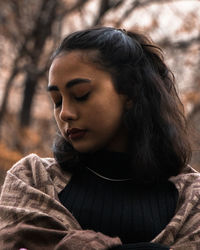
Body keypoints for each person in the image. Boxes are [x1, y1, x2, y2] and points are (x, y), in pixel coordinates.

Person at [0, 27, 199, 250]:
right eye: (57, 101)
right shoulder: (32, 180)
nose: (64, 113)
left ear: (131, 93)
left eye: (81, 95)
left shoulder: (191, 200)